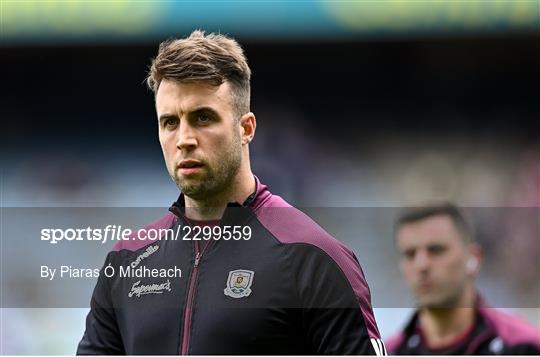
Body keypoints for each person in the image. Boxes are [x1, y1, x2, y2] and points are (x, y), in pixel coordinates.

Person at [77, 30, 384, 355]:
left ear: (246, 128)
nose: (184, 138)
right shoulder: (127, 261)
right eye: (169, 122)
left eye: (203, 118)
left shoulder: (313, 257)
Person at [386, 203, 540, 355]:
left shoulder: (523, 347)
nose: (422, 265)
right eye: (410, 254)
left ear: (474, 258)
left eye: (436, 250)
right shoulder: (389, 352)